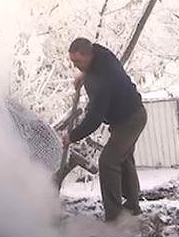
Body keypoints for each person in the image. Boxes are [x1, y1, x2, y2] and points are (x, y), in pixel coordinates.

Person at [62, 37, 147, 222]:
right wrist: (84, 75)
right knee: (123, 159)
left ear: (87, 55)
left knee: (108, 161)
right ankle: (132, 207)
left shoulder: (101, 77)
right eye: (73, 62)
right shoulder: (100, 54)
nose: (75, 66)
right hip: (128, 116)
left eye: (78, 62)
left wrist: (72, 136)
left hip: (131, 120)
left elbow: (94, 118)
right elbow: (95, 68)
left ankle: (114, 218)